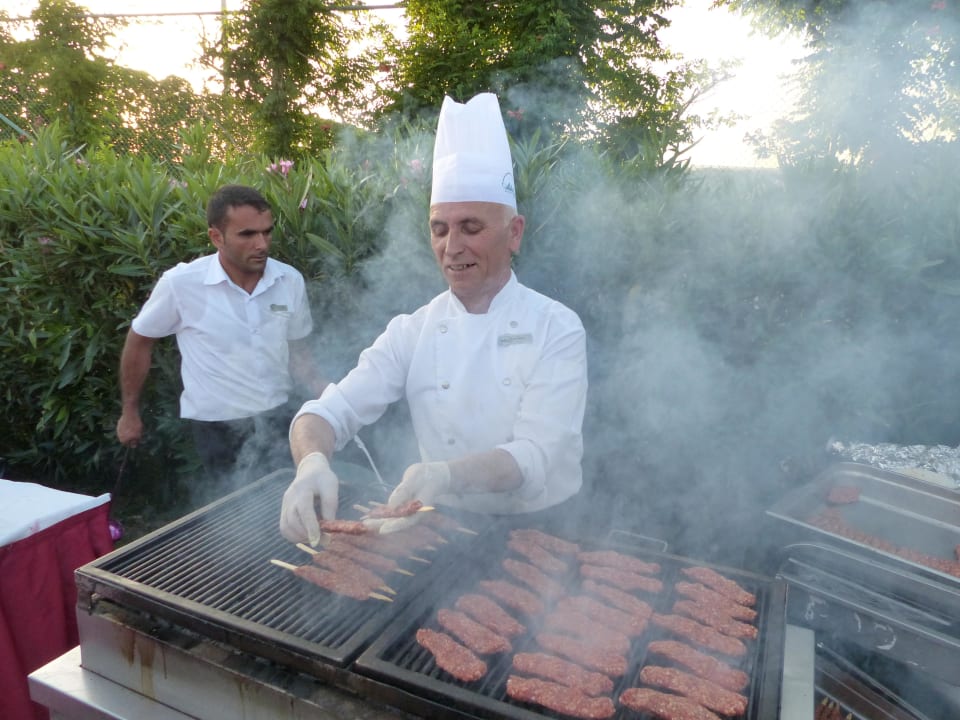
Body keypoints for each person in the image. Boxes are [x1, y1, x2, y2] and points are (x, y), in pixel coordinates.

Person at [279, 93, 587, 545]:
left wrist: (445, 474)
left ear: (514, 233)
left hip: (541, 532)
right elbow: (328, 412)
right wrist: (311, 464)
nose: (452, 246)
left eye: (471, 227)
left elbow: (537, 455)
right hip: (442, 529)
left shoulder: (556, 328)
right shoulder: (413, 330)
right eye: (439, 229)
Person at [116, 184, 326, 484]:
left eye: (267, 232)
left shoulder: (289, 280)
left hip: (281, 416)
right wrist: (130, 411)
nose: (262, 244)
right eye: (247, 234)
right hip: (218, 428)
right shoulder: (182, 284)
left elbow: (298, 350)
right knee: (237, 514)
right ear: (216, 237)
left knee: (292, 505)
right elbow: (140, 340)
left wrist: (324, 389)